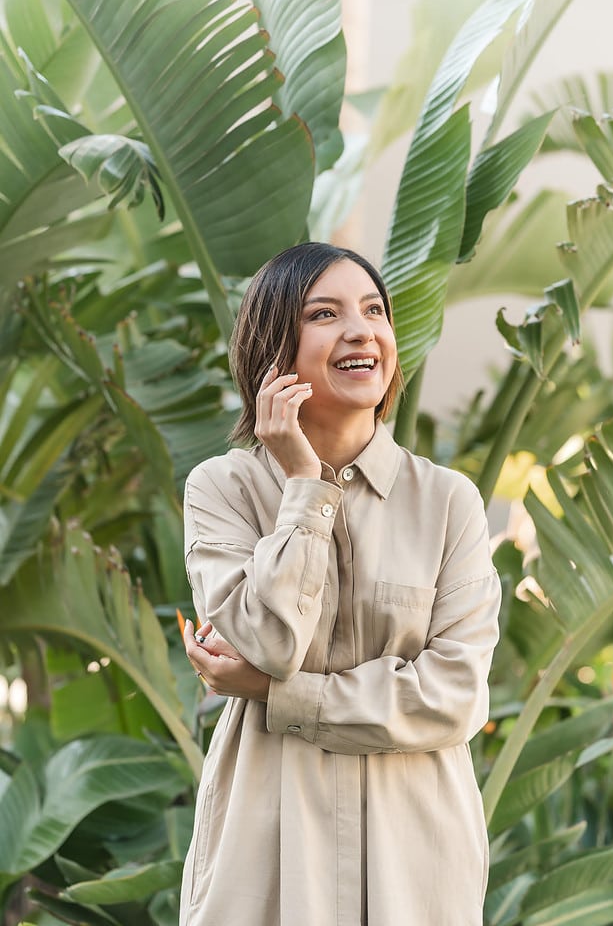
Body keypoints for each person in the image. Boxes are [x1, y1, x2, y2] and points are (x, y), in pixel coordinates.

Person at [180, 242, 501, 926]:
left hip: (415, 864)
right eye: (325, 313)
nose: (362, 330)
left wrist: (283, 694)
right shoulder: (222, 489)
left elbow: (454, 695)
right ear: (274, 352)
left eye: (374, 310)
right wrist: (303, 487)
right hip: (265, 854)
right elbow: (270, 637)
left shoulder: (448, 502)